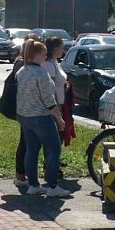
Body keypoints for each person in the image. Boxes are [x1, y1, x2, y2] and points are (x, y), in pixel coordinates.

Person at [16, 40, 69, 197]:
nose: (46, 56)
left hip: (25, 116)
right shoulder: (41, 74)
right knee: (53, 150)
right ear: (36, 55)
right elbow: (49, 101)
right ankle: (53, 187)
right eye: (44, 53)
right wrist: (60, 119)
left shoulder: (22, 71)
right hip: (41, 117)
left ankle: (33, 185)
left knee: (31, 150)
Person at [12, 33, 37, 187]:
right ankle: (21, 174)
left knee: (26, 142)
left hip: (22, 107)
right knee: (26, 142)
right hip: (27, 108)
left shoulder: (18, 61)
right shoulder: (23, 64)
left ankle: (21, 174)